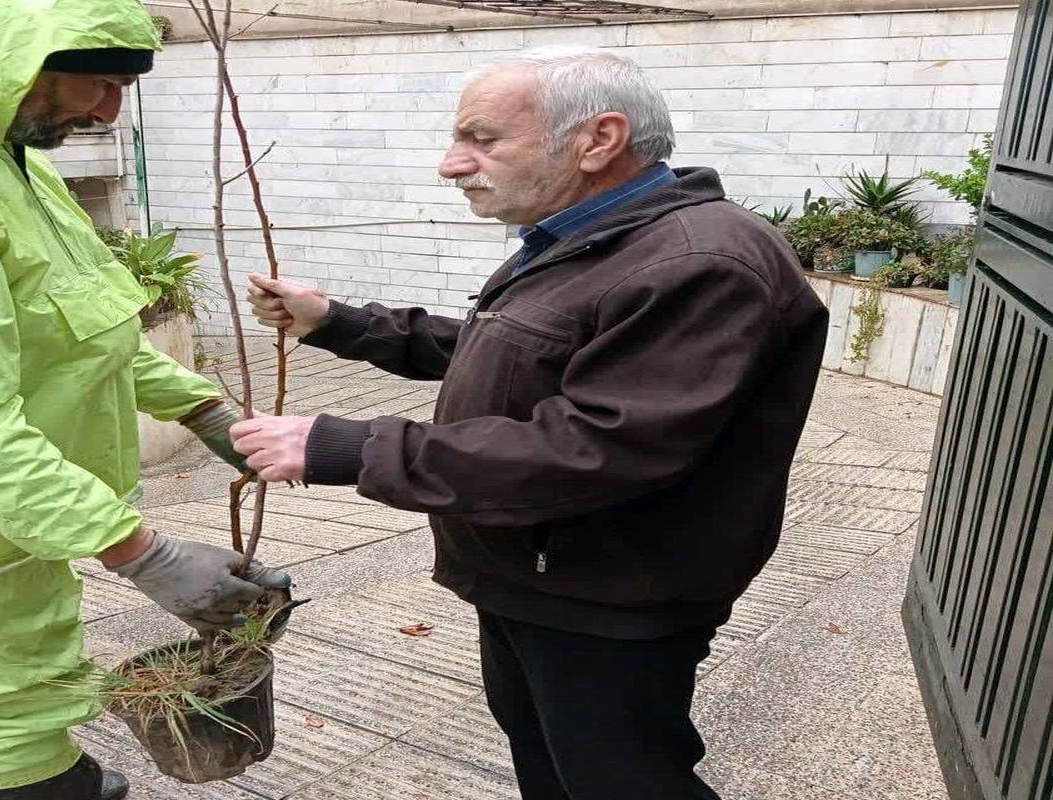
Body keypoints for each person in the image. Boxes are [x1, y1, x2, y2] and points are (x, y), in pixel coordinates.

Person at [231, 46, 829, 799]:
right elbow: (523, 352)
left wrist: (352, 447)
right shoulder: (585, 238)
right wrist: (342, 324)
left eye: (482, 139)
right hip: (539, 571)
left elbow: (599, 446)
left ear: (599, 141)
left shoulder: (697, 263)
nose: (453, 164)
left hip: (610, 592)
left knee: (620, 779)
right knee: (552, 767)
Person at [0, 2, 284, 798]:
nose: (110, 111)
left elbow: (87, 335)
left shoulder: (12, 162)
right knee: (8, 717)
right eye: (101, 82)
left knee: (19, 690)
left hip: (12, 517)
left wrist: (204, 412)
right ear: (10, 56)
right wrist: (138, 552)